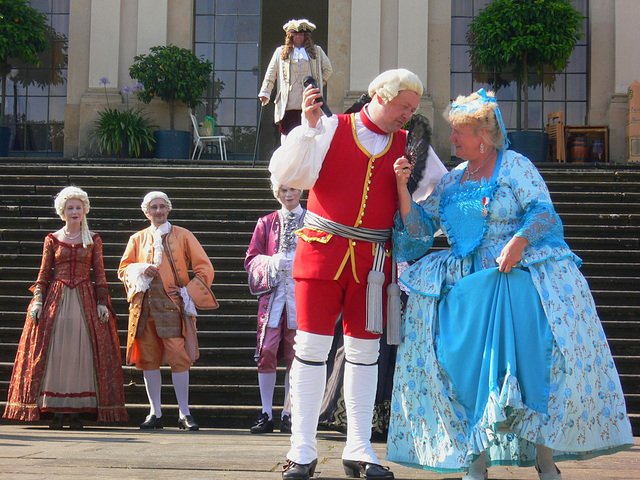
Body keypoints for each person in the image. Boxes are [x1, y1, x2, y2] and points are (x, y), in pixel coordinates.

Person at [387, 89, 635, 480]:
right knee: (466, 371)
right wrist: (402, 189)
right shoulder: (451, 181)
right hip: (467, 290)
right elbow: (417, 234)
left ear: (482, 135)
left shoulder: (515, 166)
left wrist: (518, 242)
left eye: (459, 133)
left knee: (531, 367)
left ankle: (544, 456)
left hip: (512, 282)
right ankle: (477, 460)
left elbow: (542, 212)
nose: (451, 139)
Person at [270, 68, 447, 480]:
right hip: (320, 254)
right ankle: (301, 448)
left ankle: (360, 447)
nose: (408, 114)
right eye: (403, 106)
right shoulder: (330, 127)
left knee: (365, 354)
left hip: (374, 262)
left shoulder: (411, 146)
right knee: (311, 349)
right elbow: (288, 176)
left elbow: (437, 197)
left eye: (412, 109)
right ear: (380, 96)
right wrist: (308, 131)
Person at [3, 186, 128, 429]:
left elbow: (100, 275)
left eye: (78, 208)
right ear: (62, 211)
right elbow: (43, 274)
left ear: (84, 211)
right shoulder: (52, 239)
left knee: (80, 353)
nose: (74, 211)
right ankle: (57, 410)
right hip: (57, 301)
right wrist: (38, 300)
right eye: (70, 208)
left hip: (84, 300)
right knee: (56, 353)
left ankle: (77, 412)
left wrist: (103, 303)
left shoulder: (93, 239)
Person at [118, 191, 217, 431]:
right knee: (148, 359)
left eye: (162, 207)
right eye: (154, 207)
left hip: (174, 306)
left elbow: (205, 268)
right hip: (145, 307)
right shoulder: (137, 238)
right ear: (146, 212)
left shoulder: (183, 235)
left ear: (168, 210)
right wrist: (140, 269)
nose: (159, 211)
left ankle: (184, 413)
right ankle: (155, 412)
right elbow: (123, 269)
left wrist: (187, 293)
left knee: (179, 358)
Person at [245, 182, 305, 434]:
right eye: (283, 191)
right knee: (267, 351)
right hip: (273, 298)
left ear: (301, 191)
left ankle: (290, 412)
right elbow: (251, 259)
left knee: (296, 356)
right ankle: (266, 412)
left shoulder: (313, 220)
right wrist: (272, 262)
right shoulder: (266, 222)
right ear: (276, 193)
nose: (288, 195)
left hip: (301, 296)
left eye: (292, 190)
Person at [259, 18, 332, 142]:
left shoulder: (316, 51)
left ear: (306, 36)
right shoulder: (280, 52)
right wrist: (265, 92)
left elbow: (328, 69)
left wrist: (318, 84)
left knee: (310, 135)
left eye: (301, 34)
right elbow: (271, 74)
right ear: (291, 36)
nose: (298, 37)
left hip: (309, 101)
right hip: (289, 103)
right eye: (296, 34)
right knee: (288, 136)